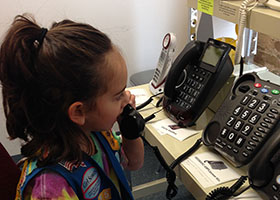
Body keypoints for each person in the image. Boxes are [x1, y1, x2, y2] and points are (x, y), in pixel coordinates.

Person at [0, 14, 144, 200]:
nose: (126, 98)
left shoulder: (97, 134)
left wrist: (130, 130)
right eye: (117, 96)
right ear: (78, 111)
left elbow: (133, 162)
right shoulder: (50, 189)